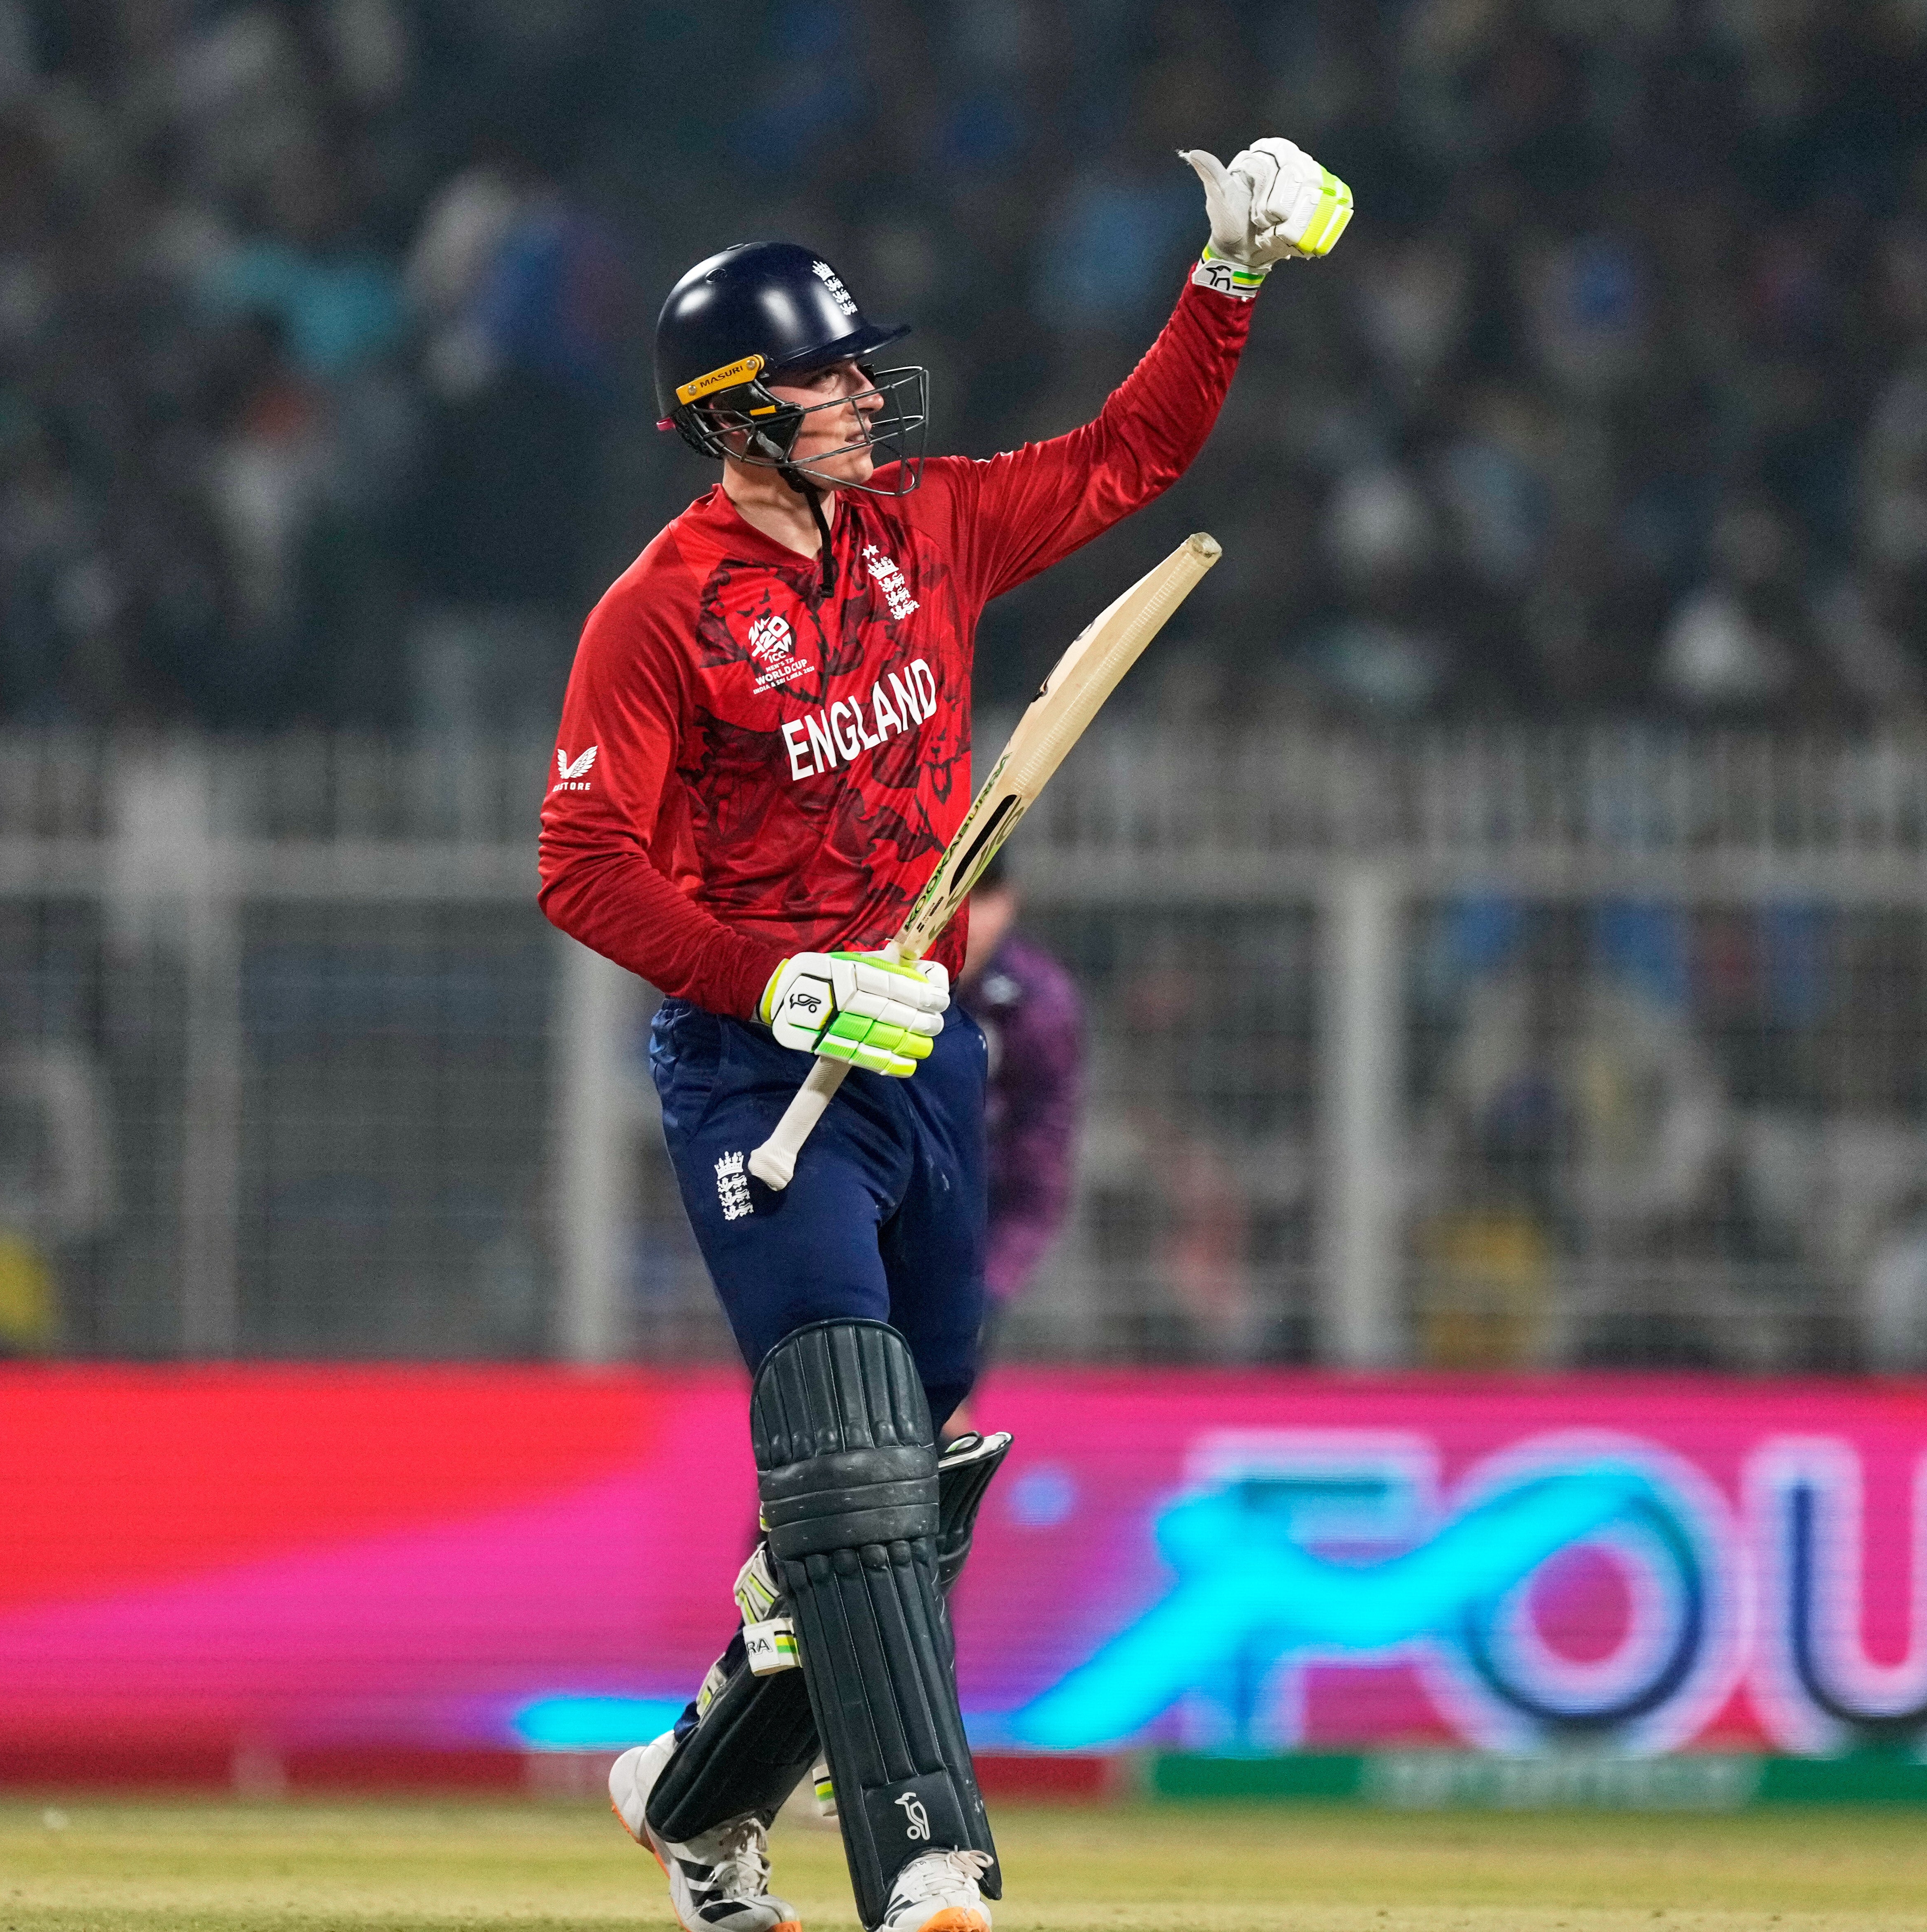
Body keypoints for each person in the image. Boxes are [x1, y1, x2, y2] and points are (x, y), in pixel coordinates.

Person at [535, 139, 1351, 1932]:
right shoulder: (659, 615)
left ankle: (690, 1795)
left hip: (929, 1059)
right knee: (842, 1446)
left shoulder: (927, 527)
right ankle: (929, 1866)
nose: (858, 395)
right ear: (737, 415)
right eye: (823, 378)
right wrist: (769, 980)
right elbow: (578, 864)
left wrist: (1228, 284)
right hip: (763, 1074)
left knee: (904, 1469)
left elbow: (1129, 457)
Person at [947, 867, 1086, 1434]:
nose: (969, 920)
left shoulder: (1039, 1004)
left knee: (941, 1444)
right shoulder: (866, 974)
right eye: (954, 896)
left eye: (984, 897)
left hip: (966, 1250)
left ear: (1010, 900)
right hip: (859, 1239)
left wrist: (987, 1294)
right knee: (824, 1446)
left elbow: (1039, 1168)